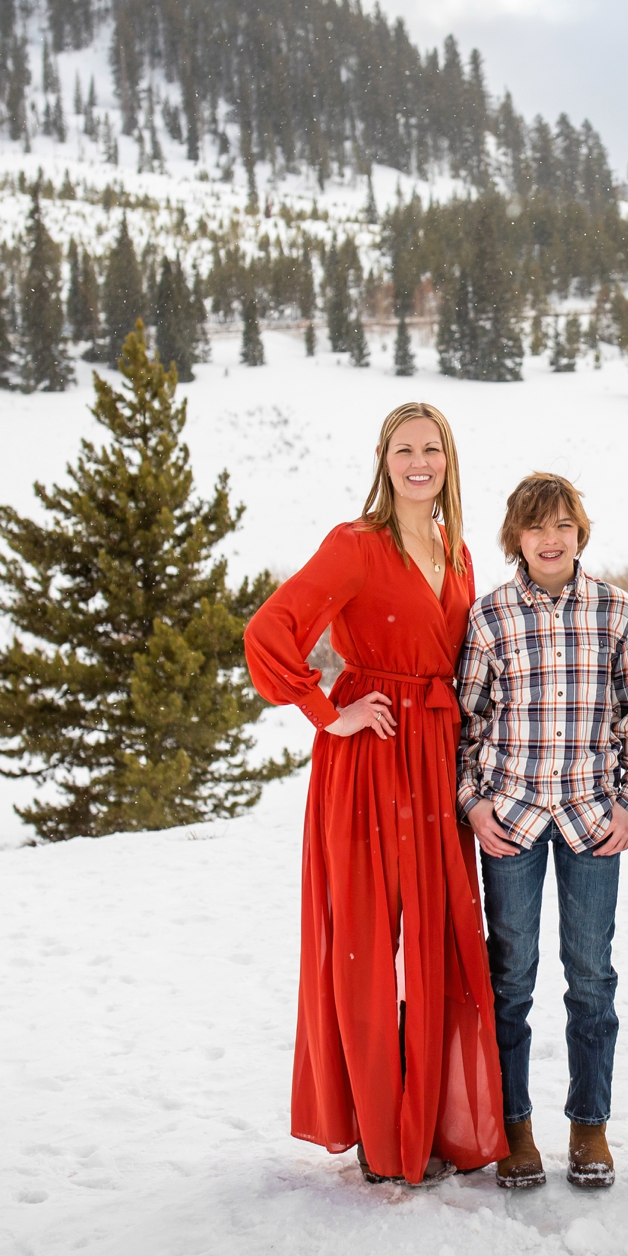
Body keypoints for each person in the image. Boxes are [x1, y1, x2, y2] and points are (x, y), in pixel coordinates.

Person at [244, 402, 506, 1187]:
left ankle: (425, 1120)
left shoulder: (455, 550)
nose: (419, 461)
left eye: (432, 448)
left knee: (434, 937)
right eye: (405, 449)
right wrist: (332, 710)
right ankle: (374, 1128)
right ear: (384, 460)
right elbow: (269, 631)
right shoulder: (355, 545)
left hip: (435, 761)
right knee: (367, 939)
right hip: (372, 756)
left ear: (448, 460)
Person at [456, 472, 628, 1191]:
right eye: (537, 527)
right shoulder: (490, 616)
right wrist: (473, 805)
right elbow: (469, 725)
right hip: (509, 819)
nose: (550, 538)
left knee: (591, 976)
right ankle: (514, 1127)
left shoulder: (615, 610)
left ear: (580, 531)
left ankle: (589, 1125)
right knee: (509, 979)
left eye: (563, 525)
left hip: (590, 821)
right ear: (516, 536)